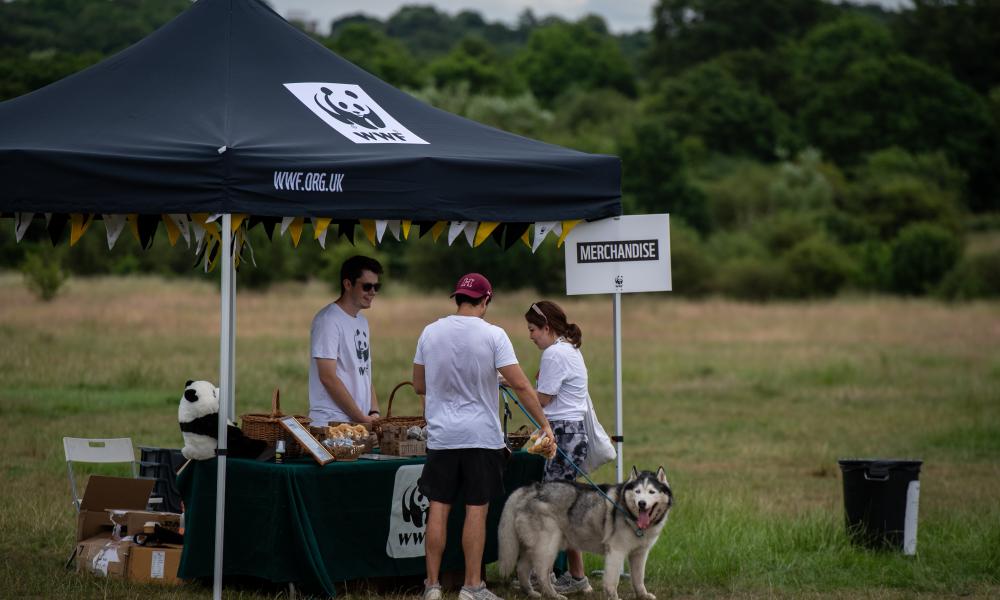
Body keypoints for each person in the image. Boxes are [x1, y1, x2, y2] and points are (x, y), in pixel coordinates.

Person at [414, 273, 554, 600]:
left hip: (442, 436)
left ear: (458, 298)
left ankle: (432, 585)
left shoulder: (430, 331)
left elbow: (419, 384)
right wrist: (544, 424)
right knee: (476, 509)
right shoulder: (494, 335)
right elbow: (520, 384)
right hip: (480, 436)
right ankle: (472, 586)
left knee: (439, 507)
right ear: (486, 300)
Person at [524, 300, 592, 594]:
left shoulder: (554, 353)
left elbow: (543, 399)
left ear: (547, 328)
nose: (530, 336)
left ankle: (546, 574)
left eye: (532, 330)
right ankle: (577, 577)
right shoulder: (568, 349)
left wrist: (514, 385)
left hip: (563, 434)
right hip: (572, 433)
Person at [308, 255, 383, 426]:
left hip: (356, 422)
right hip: (331, 422)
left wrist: (374, 411)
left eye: (376, 286)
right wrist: (362, 418)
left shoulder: (362, 321)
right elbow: (327, 377)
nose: (373, 292)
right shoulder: (328, 320)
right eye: (367, 286)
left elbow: (364, 370)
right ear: (348, 284)